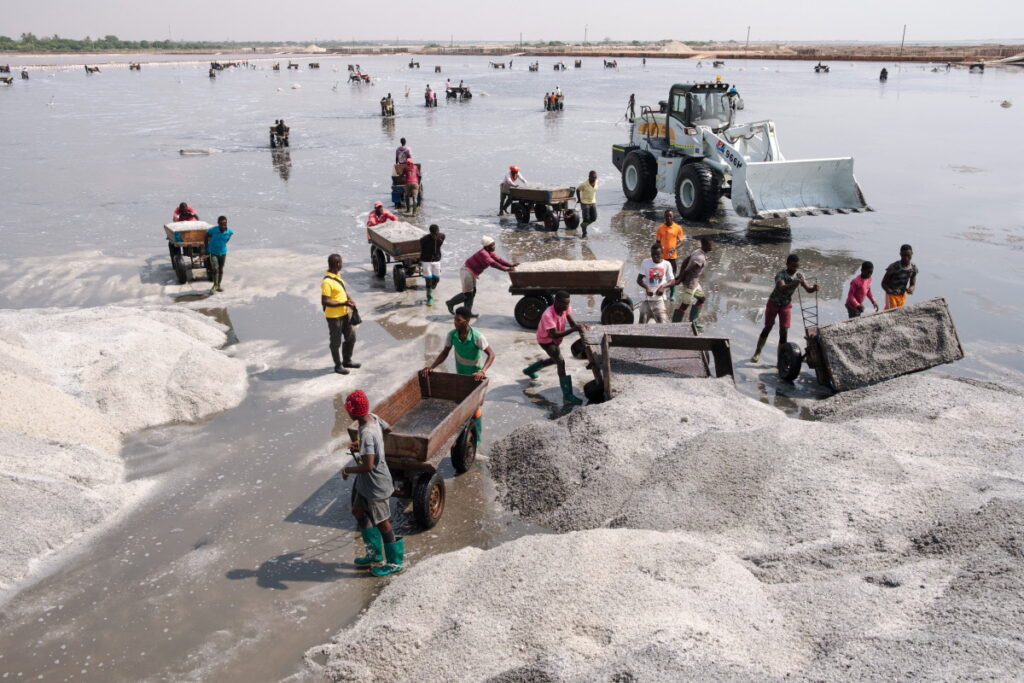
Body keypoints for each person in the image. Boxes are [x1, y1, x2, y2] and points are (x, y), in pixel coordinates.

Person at [341, 389, 404, 577]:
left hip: (376, 482)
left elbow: (368, 466)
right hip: (364, 483)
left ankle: (395, 562)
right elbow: (388, 429)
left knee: (383, 522)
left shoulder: (367, 433)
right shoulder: (372, 418)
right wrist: (362, 445)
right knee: (358, 511)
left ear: (352, 412)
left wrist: (348, 470)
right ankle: (374, 555)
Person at [421, 306, 494, 444]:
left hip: (475, 378)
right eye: (454, 319)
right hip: (460, 376)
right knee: (462, 405)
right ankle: (465, 434)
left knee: (475, 409)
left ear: (467, 321)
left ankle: (477, 439)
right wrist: (431, 367)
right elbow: (444, 353)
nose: (455, 322)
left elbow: (491, 354)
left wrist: (482, 371)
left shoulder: (477, 337)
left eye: (458, 320)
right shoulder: (452, 335)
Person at [751, 254, 819, 363]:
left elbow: (808, 289)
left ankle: (780, 359)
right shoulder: (781, 274)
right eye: (793, 266)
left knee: (784, 330)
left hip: (786, 304)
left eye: (797, 266)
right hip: (773, 302)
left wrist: (814, 288)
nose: (795, 269)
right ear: (787, 264)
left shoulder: (799, 275)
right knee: (768, 327)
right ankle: (757, 352)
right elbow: (782, 288)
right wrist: (794, 283)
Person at [521, 291, 586, 404]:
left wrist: (580, 327)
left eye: (568, 303)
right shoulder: (548, 315)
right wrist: (573, 330)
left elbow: (572, 324)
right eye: (565, 304)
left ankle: (530, 370)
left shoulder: (565, 308)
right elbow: (554, 334)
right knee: (560, 361)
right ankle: (567, 395)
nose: (567, 306)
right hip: (545, 340)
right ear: (557, 302)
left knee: (554, 359)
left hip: (555, 339)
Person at [445, 236, 517, 316]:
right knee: (468, 294)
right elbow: (492, 263)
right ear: (487, 246)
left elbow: (498, 260)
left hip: (472, 272)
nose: (494, 246)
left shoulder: (489, 252)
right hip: (466, 271)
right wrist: (505, 269)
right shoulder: (483, 253)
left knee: (472, 292)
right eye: (492, 245)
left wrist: (510, 265)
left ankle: (467, 313)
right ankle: (450, 303)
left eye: (494, 244)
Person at [321, 254, 360, 374]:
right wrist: (343, 303)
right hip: (334, 317)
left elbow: (342, 291)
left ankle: (347, 360)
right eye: (341, 262)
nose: (342, 264)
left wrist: (349, 299)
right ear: (338, 264)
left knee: (351, 338)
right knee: (335, 342)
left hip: (344, 314)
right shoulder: (327, 282)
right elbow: (325, 301)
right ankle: (338, 366)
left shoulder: (337, 276)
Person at [671, 237, 714, 326]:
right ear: (705, 245)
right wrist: (680, 279)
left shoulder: (698, 251)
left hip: (695, 283)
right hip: (690, 284)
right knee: (685, 305)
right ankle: (674, 324)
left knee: (702, 299)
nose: (712, 246)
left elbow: (685, 262)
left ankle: (693, 321)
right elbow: (688, 270)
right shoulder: (700, 258)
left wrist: (679, 275)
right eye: (710, 244)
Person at [637, 243, 675, 324]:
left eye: (657, 254)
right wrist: (647, 288)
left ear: (662, 253)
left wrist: (663, 287)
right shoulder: (645, 262)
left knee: (663, 325)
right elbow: (639, 280)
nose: (654, 257)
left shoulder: (666, 264)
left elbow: (672, 281)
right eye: (652, 254)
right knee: (641, 326)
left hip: (659, 301)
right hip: (647, 300)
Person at [655, 210, 686, 300]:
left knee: (672, 275)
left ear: (673, 217)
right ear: (664, 217)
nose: (668, 218)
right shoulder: (660, 228)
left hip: (672, 257)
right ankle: (660, 291)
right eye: (666, 216)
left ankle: (672, 293)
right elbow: (657, 242)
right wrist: (659, 249)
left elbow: (681, 241)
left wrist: (675, 248)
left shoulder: (677, 228)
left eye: (670, 216)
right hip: (662, 257)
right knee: (660, 274)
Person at [881, 244, 918, 310]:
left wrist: (911, 289)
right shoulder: (894, 267)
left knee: (899, 312)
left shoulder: (913, 268)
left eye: (908, 255)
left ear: (912, 254)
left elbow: (912, 284)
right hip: (891, 295)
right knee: (890, 312)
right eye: (904, 255)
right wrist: (891, 291)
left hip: (902, 295)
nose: (906, 258)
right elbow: (884, 283)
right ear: (900, 254)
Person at [204, 216, 232, 294]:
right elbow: (206, 236)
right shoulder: (213, 230)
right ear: (218, 224)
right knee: (215, 268)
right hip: (213, 252)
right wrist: (206, 247)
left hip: (223, 253)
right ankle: (215, 285)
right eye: (221, 224)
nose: (223, 226)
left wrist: (222, 244)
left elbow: (228, 238)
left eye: (225, 224)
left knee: (221, 269)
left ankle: (219, 285)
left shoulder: (229, 231)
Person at [419, 224, 445, 306]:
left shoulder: (442, 236)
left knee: (436, 279)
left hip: (437, 260)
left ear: (438, 232)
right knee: (428, 280)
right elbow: (421, 250)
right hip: (426, 260)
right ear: (430, 233)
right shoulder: (424, 240)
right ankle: (429, 297)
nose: (435, 236)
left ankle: (431, 287)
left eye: (436, 234)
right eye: (433, 234)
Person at [575, 170, 599, 238]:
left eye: (595, 177)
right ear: (589, 177)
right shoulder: (584, 184)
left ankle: (583, 225)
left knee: (594, 218)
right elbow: (577, 189)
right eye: (593, 177)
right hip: (585, 202)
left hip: (593, 202)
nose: (594, 179)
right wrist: (579, 199)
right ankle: (584, 233)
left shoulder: (596, 181)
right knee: (586, 218)